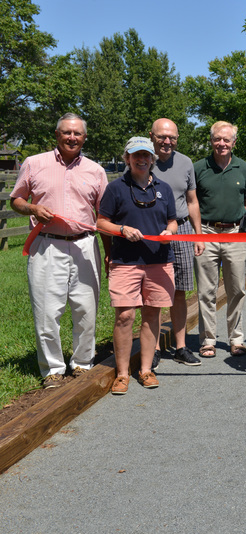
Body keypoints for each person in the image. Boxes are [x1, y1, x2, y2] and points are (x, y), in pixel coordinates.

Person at [11, 113, 108, 389]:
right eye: (66, 132)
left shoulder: (96, 170)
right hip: (46, 245)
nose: (72, 137)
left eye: (77, 133)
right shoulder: (34, 163)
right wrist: (31, 208)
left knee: (86, 309)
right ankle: (52, 369)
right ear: (56, 135)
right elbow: (17, 199)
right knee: (46, 311)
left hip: (85, 244)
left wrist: (110, 252)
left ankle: (82, 364)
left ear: (84, 137)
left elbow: (104, 215)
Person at [96, 137, 177, 395]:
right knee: (125, 316)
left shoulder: (163, 188)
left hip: (159, 261)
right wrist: (121, 229)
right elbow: (101, 223)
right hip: (126, 262)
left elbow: (173, 221)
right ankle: (121, 374)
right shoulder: (116, 188)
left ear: (152, 158)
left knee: (152, 315)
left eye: (146, 155)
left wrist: (168, 231)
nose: (141, 159)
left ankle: (145, 369)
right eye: (136, 155)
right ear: (127, 158)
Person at [194, 121, 246, 358]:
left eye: (226, 140)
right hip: (206, 233)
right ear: (211, 141)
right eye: (217, 139)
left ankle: (236, 339)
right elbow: (193, 202)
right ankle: (208, 340)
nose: (221, 143)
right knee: (206, 291)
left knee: (236, 289)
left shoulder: (244, 168)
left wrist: (238, 220)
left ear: (234, 143)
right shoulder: (198, 167)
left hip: (236, 234)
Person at [150, 118, 204, 368]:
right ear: (152, 136)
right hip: (152, 231)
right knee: (154, 292)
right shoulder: (141, 160)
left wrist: (197, 233)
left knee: (180, 290)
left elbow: (192, 200)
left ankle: (181, 346)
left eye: (172, 137)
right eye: (162, 136)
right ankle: (155, 348)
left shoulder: (185, 163)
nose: (167, 142)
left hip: (181, 229)